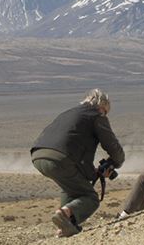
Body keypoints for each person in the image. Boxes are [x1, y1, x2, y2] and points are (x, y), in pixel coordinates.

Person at [31, 88, 125, 237]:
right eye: (106, 112)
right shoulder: (96, 115)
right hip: (60, 159)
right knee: (91, 198)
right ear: (101, 107)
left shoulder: (70, 113)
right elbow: (113, 146)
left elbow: (75, 149)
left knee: (70, 187)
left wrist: (92, 173)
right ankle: (64, 214)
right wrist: (116, 162)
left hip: (38, 155)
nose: (105, 115)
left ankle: (65, 228)